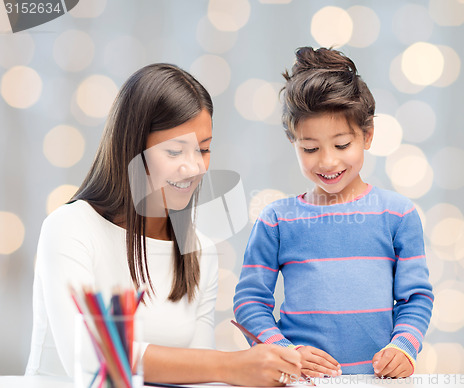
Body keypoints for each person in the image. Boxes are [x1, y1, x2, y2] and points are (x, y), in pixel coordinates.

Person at [25, 63, 301, 386]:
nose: (194, 167)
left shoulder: (199, 251)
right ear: (132, 148)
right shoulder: (69, 228)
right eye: (174, 151)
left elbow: (197, 373)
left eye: (204, 149)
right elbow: (91, 356)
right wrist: (231, 366)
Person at [233, 47, 434, 379]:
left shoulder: (398, 215)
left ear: (367, 135)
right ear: (293, 142)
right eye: (310, 148)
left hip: (377, 382)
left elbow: (416, 297)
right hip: (301, 382)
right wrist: (283, 351)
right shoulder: (277, 219)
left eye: (342, 145)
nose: (327, 161)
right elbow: (250, 301)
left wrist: (404, 347)